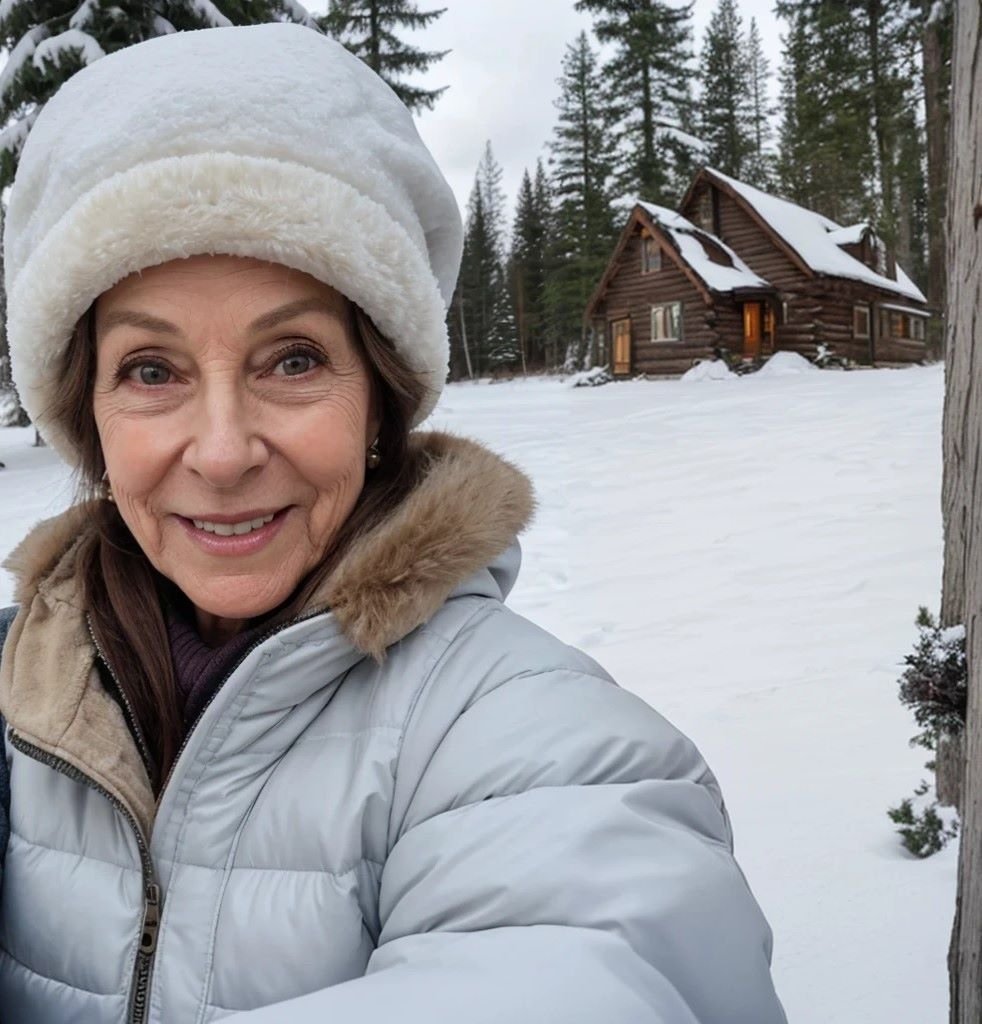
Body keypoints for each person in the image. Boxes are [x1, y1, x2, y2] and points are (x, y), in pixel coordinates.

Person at [0, 23, 787, 1024]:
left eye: (293, 360)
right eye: (151, 371)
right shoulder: (17, 690)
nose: (223, 451)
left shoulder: (520, 727)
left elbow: (608, 963)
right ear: (90, 422)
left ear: (379, 402)